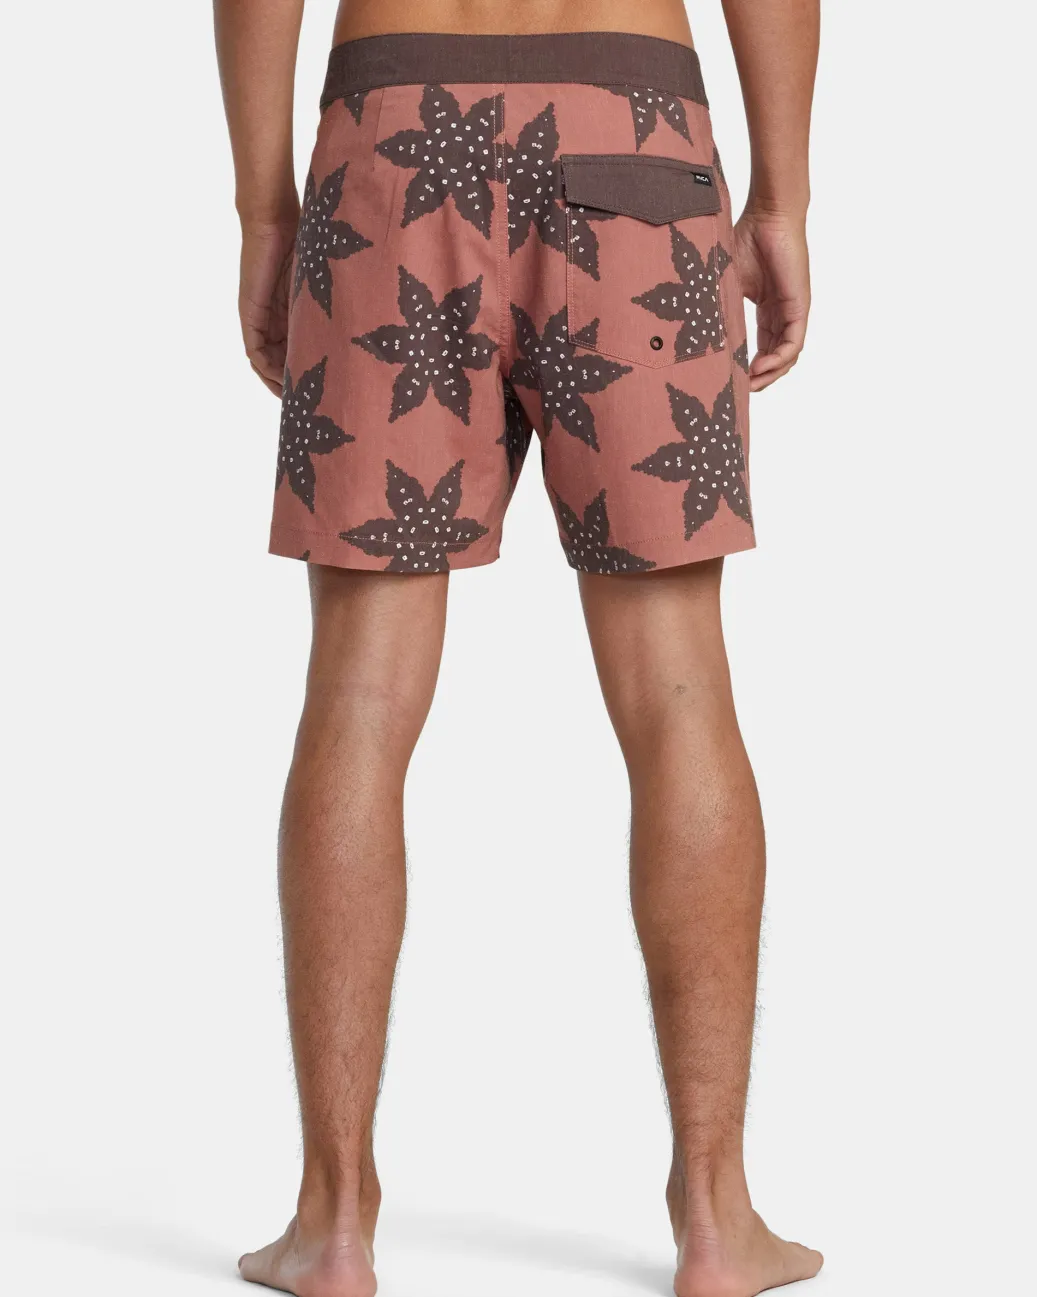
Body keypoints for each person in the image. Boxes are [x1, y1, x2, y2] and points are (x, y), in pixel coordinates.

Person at [214, 0, 820, 1292]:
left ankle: (334, 1218)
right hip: (636, 136)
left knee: (360, 693)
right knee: (680, 694)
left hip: (392, 140)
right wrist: (784, 189)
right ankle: (716, 1212)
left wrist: (265, 208)